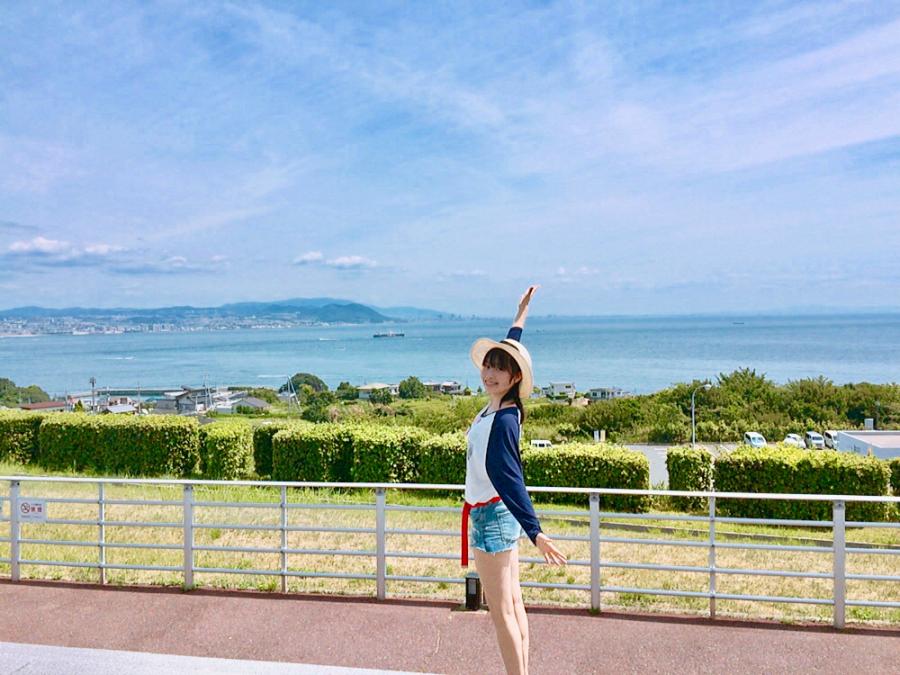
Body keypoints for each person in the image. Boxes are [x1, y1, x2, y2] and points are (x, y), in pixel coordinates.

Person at [462, 284, 566, 675]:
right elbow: (512, 346)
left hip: (491, 517)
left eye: (499, 369)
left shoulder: (504, 421)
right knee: (514, 605)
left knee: (501, 611)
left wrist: (535, 532)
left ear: (514, 377)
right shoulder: (505, 407)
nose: (489, 373)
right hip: (498, 514)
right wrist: (520, 316)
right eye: (488, 365)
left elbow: (509, 479)